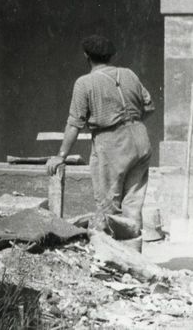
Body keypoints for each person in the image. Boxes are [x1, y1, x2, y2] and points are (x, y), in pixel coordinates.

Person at [46, 35, 155, 239]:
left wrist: (61, 155)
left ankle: (110, 258)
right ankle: (133, 254)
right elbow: (149, 106)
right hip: (140, 138)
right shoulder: (128, 74)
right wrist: (131, 122)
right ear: (111, 55)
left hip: (112, 142)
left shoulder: (84, 83)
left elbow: (74, 124)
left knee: (108, 205)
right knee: (133, 203)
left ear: (86, 55)